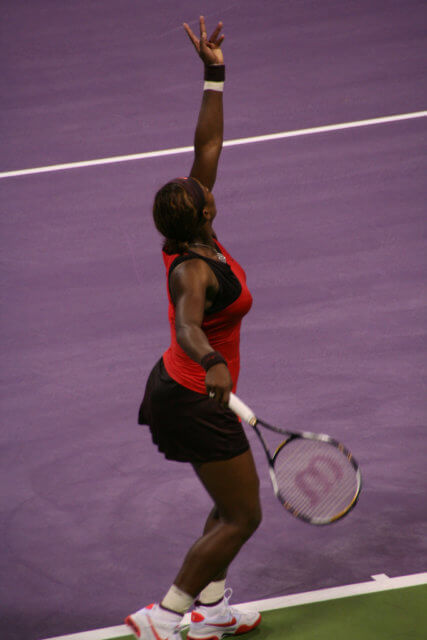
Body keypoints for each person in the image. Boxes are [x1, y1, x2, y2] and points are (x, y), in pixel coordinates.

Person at [125, 16, 262, 640]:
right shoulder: (193, 272)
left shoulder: (193, 228)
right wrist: (212, 362)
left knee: (227, 499)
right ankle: (168, 614)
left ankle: (210, 609)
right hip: (193, 392)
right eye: (200, 189)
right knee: (242, 516)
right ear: (204, 209)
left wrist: (214, 74)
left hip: (184, 390)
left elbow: (207, 149)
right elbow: (187, 325)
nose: (205, 180)